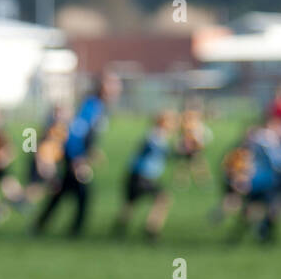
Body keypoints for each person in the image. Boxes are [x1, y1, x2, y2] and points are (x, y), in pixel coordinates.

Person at [33, 70, 121, 237]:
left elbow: (89, 134)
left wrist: (92, 151)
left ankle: (40, 226)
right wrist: (77, 159)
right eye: (114, 84)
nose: (118, 88)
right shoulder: (92, 106)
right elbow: (75, 133)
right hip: (74, 156)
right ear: (103, 87)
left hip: (77, 156)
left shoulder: (99, 106)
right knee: (83, 193)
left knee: (64, 190)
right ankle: (74, 232)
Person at [113, 110, 175, 241]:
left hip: (136, 174)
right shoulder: (155, 135)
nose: (174, 124)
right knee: (163, 199)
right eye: (171, 121)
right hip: (142, 176)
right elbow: (160, 150)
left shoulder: (157, 135)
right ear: (163, 122)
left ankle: (118, 229)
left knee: (130, 203)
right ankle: (151, 230)